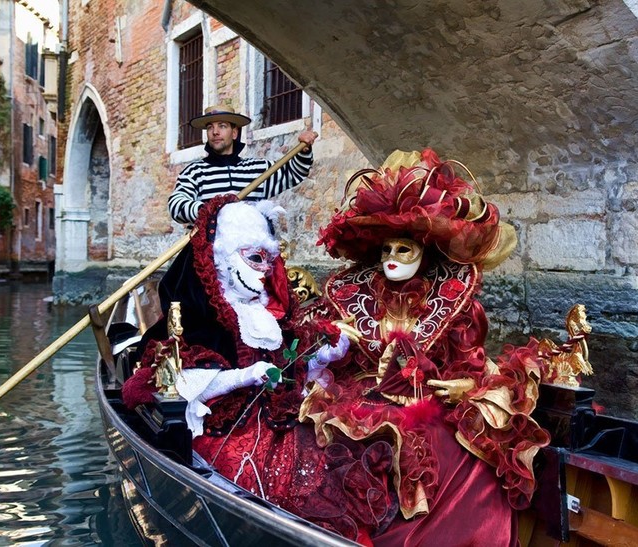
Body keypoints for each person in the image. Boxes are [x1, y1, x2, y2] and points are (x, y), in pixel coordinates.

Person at [299, 148, 551, 545]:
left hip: (427, 403)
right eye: (386, 250)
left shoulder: (455, 303)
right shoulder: (356, 296)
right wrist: (332, 337)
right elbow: (329, 355)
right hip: (361, 399)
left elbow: (468, 362)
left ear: (425, 253)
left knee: (455, 454)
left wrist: (464, 387)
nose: (392, 258)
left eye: (403, 249)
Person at [121, 195, 383, 543]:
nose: (265, 270)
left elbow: (288, 371)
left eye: (269, 261)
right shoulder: (204, 319)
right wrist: (242, 377)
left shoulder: (267, 314)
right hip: (225, 425)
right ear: (223, 259)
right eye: (255, 258)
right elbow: (183, 380)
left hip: (280, 420)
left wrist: (321, 358)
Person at [168, 104, 318, 224]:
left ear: (234, 133)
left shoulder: (257, 169)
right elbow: (176, 205)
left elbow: (293, 173)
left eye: (222, 126)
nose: (215, 132)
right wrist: (208, 209)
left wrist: (304, 151)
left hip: (251, 247)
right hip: (209, 249)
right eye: (210, 127)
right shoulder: (195, 172)